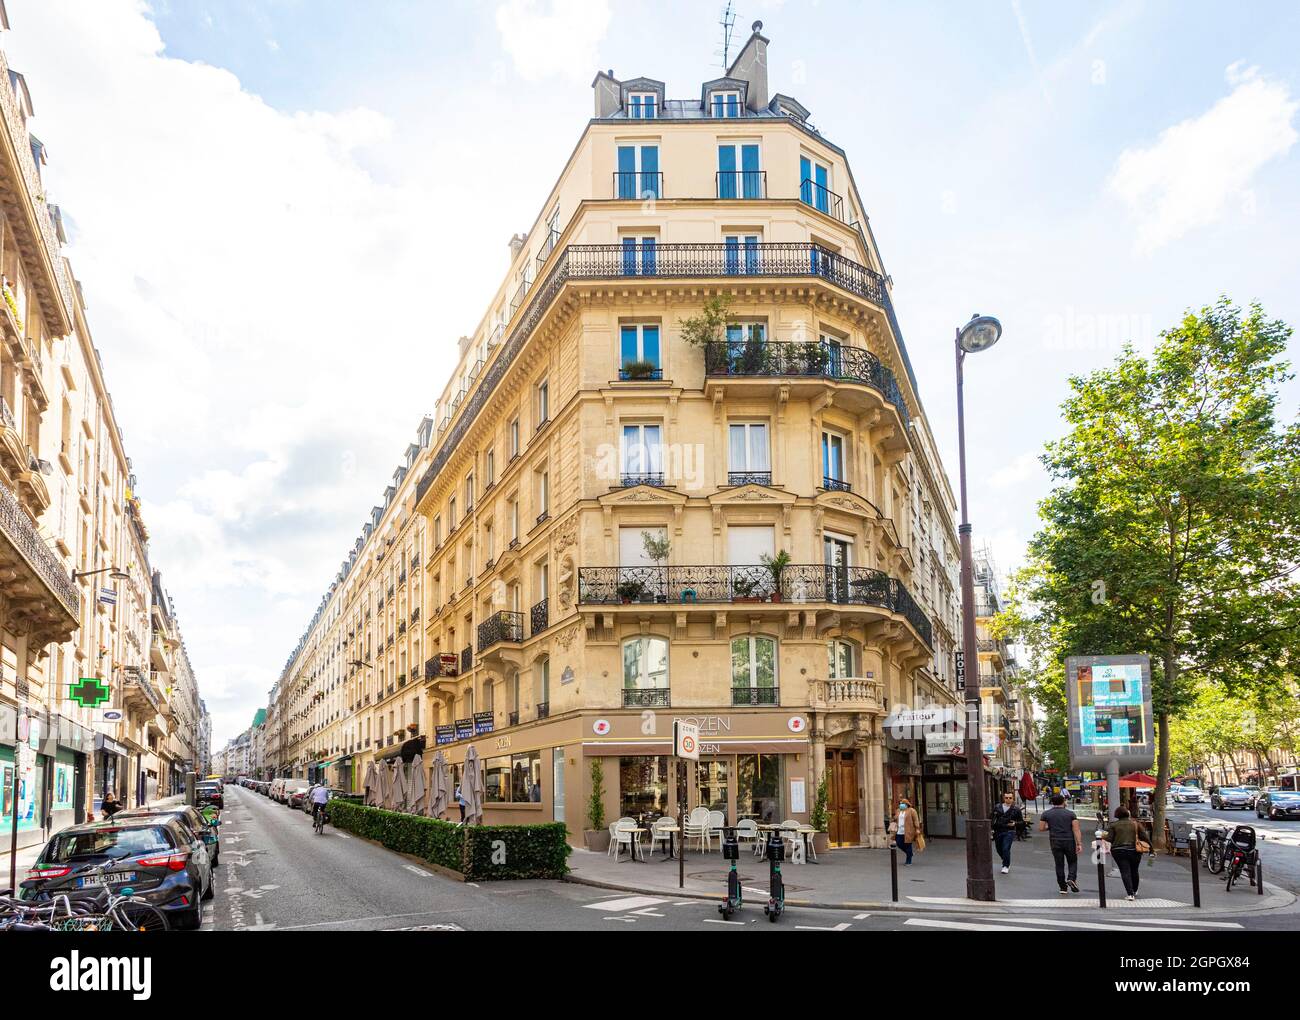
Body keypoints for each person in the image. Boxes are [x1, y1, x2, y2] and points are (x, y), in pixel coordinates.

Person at [1038, 793, 1083, 894]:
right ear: (1063, 801)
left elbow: (1041, 828)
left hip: (1055, 840)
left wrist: (1051, 827)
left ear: (1052, 802)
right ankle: (1071, 878)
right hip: (1068, 841)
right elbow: (1076, 829)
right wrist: (1079, 843)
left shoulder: (1046, 814)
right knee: (1072, 861)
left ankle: (1063, 887)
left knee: (1059, 864)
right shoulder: (1071, 814)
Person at [1103, 807, 1147, 900]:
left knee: (1125, 871)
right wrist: (1151, 849)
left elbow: (1109, 839)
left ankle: (1130, 894)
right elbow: (1144, 836)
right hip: (1135, 851)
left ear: (1117, 814)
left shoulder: (1114, 825)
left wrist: (1103, 836)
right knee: (1134, 871)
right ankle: (1134, 891)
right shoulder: (1135, 824)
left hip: (1119, 851)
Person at [991, 792, 1024, 874]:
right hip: (998, 830)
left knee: (1006, 848)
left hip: (1009, 831)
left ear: (1013, 798)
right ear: (1003, 798)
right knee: (999, 849)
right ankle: (1006, 859)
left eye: (1010, 798)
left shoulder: (1016, 809)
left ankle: (1005, 865)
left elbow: (1021, 822)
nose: (1008, 799)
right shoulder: (997, 807)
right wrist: (991, 828)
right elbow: (991, 818)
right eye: (1006, 798)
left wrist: (1015, 823)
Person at [893, 797, 922, 866]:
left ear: (906, 804)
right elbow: (895, 818)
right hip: (899, 830)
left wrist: (917, 828)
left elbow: (915, 820)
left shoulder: (912, 811)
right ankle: (910, 853)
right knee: (899, 843)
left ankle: (908, 861)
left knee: (908, 845)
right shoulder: (898, 811)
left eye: (902, 803)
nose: (901, 805)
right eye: (900, 803)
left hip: (908, 831)